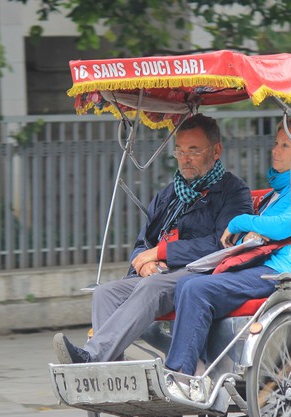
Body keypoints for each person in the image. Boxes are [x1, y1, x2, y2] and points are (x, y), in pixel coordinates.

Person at [53, 114, 253, 364]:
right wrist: (143, 261)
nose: (185, 159)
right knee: (105, 292)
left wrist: (160, 254)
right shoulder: (169, 195)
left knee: (151, 287)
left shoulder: (233, 192)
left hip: (202, 273)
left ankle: (93, 356)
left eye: (194, 150)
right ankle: (109, 374)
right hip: (158, 273)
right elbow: (142, 243)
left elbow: (221, 244)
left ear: (216, 151)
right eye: (179, 151)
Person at [163, 118, 291, 400]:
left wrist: (240, 221)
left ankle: (182, 376)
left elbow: (280, 226)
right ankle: (204, 371)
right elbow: (262, 231)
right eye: (276, 143)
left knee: (197, 289)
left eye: (284, 145)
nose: (275, 150)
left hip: (286, 274)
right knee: (187, 284)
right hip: (264, 268)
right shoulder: (281, 191)